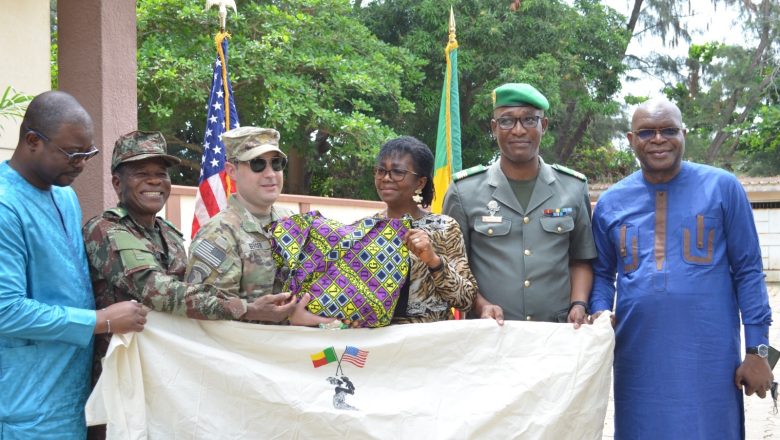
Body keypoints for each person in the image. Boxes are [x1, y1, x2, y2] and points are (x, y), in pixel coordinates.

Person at [589, 98, 773, 438]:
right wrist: (600, 312)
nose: (658, 139)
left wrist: (760, 353)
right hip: (638, 359)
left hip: (710, 358)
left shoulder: (723, 187)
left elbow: (749, 271)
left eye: (668, 130)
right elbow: (601, 274)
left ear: (683, 134)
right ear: (631, 140)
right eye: (647, 132)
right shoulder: (611, 202)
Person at [82, 131, 298, 408]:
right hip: (123, 379)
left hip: (169, 377)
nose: (154, 181)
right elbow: (158, 291)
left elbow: (193, 298)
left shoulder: (168, 233)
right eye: (141, 173)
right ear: (116, 182)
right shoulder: (106, 229)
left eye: (161, 173)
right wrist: (247, 308)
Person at [0, 91, 146, 438]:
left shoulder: (64, 195)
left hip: (76, 392)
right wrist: (102, 320)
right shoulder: (6, 206)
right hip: (28, 403)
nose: (81, 163)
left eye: (88, 154)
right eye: (72, 153)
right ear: (32, 141)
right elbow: (6, 310)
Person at [443, 83, 596, 325]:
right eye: (506, 121)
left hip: (555, 336)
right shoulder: (464, 191)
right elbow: (452, 268)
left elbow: (582, 259)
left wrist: (579, 303)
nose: (518, 130)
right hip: (490, 334)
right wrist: (480, 306)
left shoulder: (573, 188)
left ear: (543, 126)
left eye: (528, 120)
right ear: (494, 128)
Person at [185, 126, 323, 325]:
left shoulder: (292, 221)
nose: (270, 174)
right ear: (232, 171)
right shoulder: (218, 233)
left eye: (277, 164)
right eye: (257, 164)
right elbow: (201, 309)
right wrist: (251, 311)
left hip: (291, 348)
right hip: (243, 351)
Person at [372, 136, 477, 323]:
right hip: (381, 345)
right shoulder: (367, 229)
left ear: (420, 182)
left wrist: (433, 261)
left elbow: (466, 300)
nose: (386, 178)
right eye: (381, 170)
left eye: (397, 172)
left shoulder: (444, 228)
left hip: (431, 342)